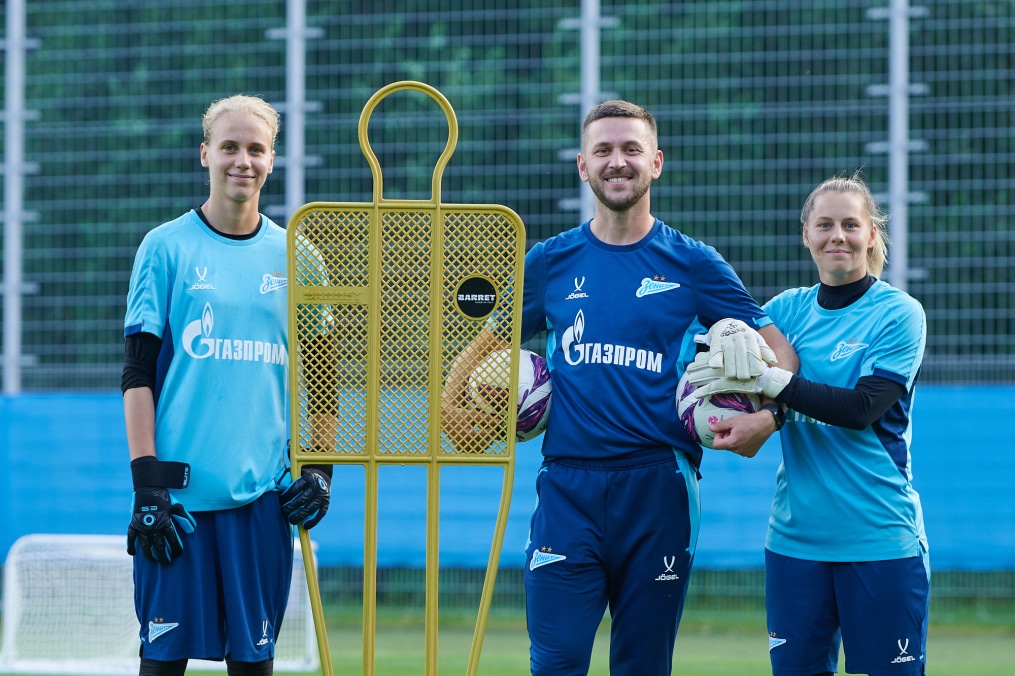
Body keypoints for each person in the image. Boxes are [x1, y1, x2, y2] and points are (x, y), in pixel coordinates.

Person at [441, 100, 798, 675]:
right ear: (582, 166)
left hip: (660, 489)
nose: (617, 162)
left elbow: (781, 352)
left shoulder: (694, 263)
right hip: (569, 490)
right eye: (603, 150)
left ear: (655, 163)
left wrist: (769, 417)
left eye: (631, 149)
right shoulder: (549, 263)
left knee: (642, 666)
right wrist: (451, 408)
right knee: (555, 663)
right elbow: (481, 348)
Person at [121, 94, 333, 676]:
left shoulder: (298, 256)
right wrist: (147, 484)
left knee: (253, 667)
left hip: (259, 503)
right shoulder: (165, 247)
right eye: (230, 147)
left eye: (257, 149)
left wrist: (321, 469)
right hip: (176, 504)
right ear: (204, 154)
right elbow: (137, 374)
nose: (244, 160)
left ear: (273, 160)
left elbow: (323, 378)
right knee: (160, 666)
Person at [692, 174, 929, 676]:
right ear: (806, 234)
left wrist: (773, 385)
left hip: (880, 535)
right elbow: (750, 384)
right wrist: (715, 370)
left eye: (849, 224)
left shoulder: (898, 313)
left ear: (871, 233)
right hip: (795, 541)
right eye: (824, 225)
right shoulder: (784, 311)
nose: (836, 236)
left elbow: (861, 409)